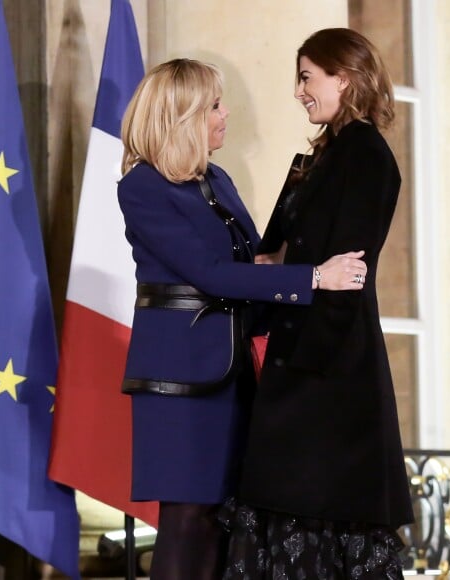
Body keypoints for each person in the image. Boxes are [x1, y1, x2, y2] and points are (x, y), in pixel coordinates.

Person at [116, 58, 368, 580]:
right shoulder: (143, 187)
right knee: (187, 518)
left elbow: (253, 261)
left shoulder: (216, 178)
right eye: (214, 105)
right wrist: (314, 278)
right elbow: (210, 273)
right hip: (180, 381)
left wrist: (297, 257)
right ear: (181, 115)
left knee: (222, 519)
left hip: (231, 373)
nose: (225, 113)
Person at [222, 28, 415, 579]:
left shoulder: (367, 156)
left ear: (344, 77)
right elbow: (274, 251)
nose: (299, 90)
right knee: (289, 514)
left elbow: (347, 273)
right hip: (301, 362)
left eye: (308, 77)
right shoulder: (321, 156)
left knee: (317, 516)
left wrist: (304, 373)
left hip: (328, 376)